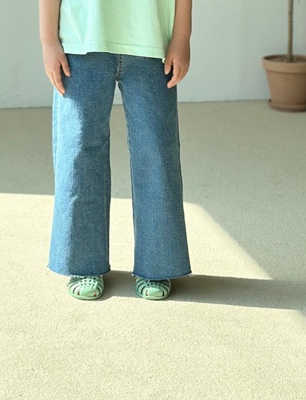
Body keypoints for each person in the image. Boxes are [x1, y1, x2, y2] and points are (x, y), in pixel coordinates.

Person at [39, 0, 193, 300]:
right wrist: (48, 40)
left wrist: (182, 36)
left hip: (152, 40)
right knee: (79, 152)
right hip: (80, 39)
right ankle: (83, 263)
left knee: (157, 154)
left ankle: (157, 265)